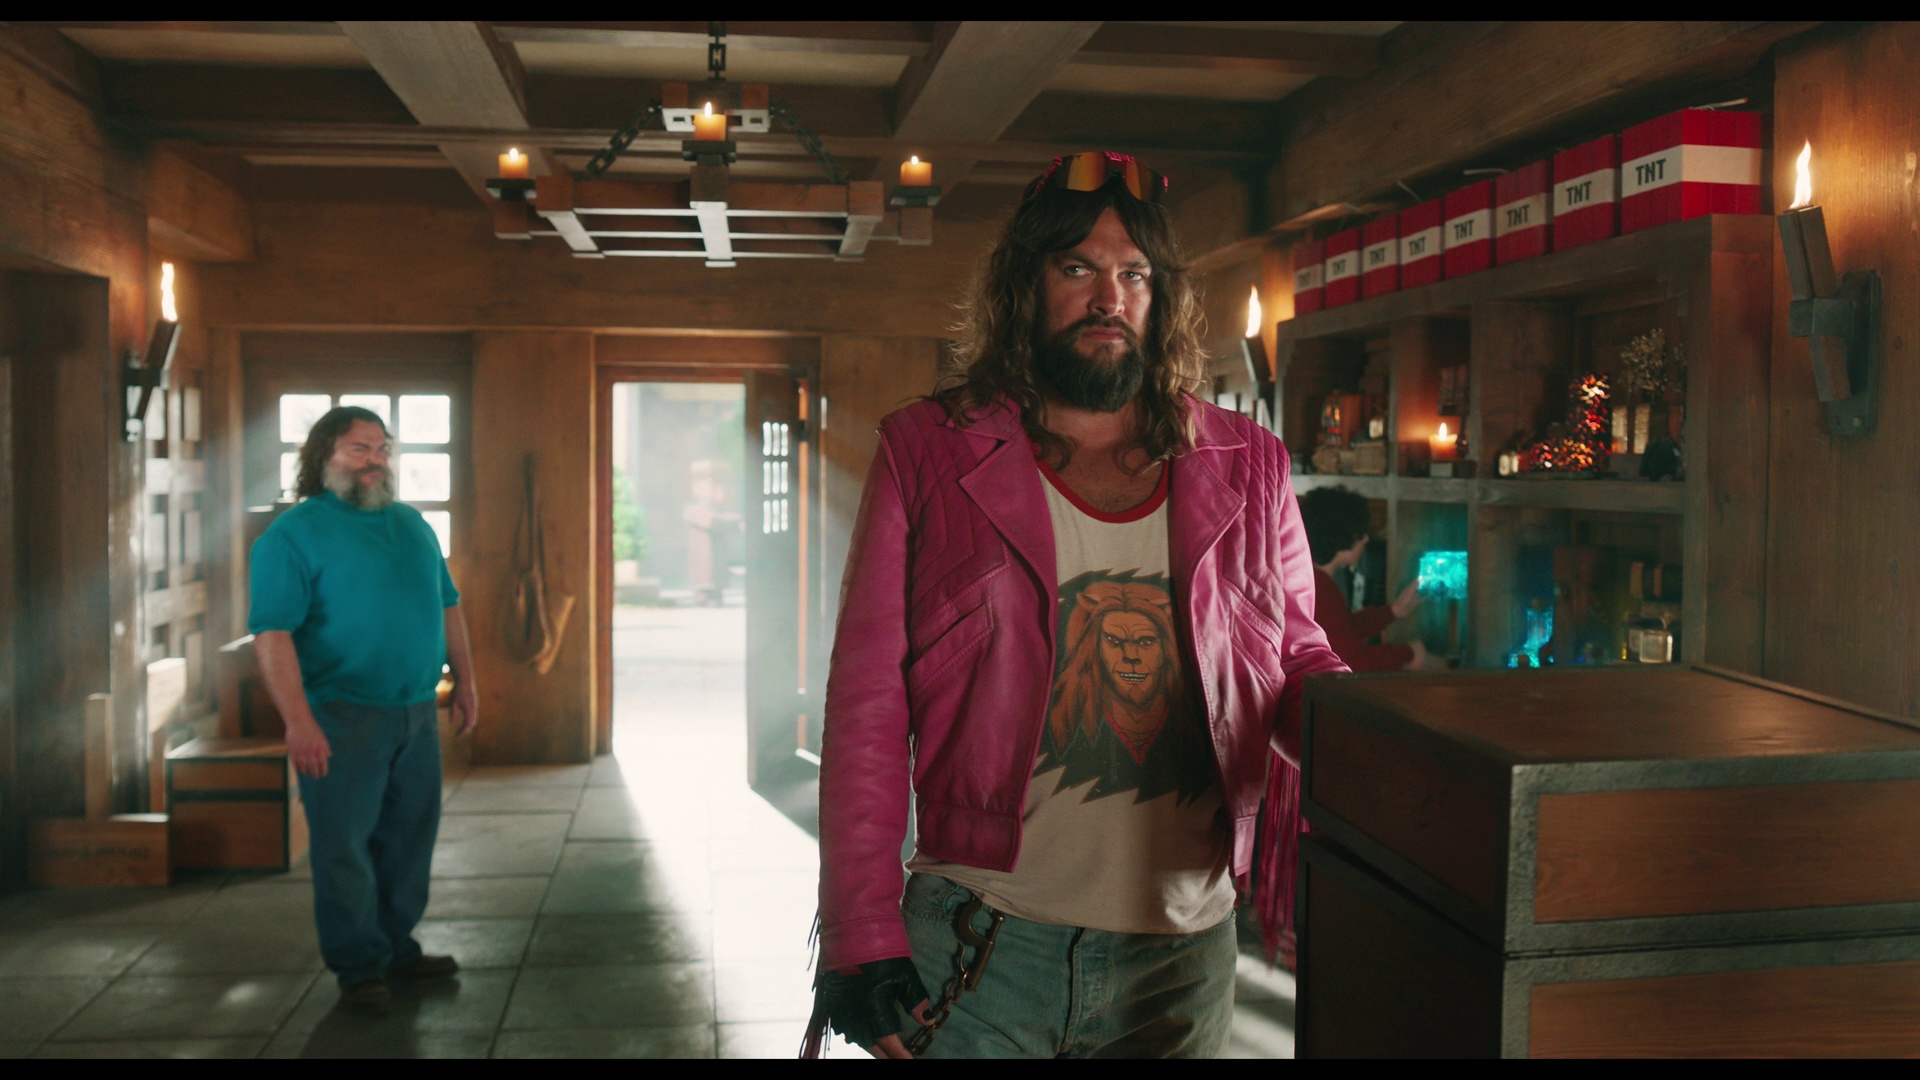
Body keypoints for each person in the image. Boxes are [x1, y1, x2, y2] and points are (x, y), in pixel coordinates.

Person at [805, 151, 1347, 1059]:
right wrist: (859, 934)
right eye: (1078, 268)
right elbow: (867, 703)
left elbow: (1296, 661)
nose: (1109, 298)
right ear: (1026, 286)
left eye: (1134, 274)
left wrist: (1379, 739)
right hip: (980, 940)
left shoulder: (1251, 463)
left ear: (1160, 297)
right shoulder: (927, 450)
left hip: (1181, 956)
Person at [248, 405, 479, 1015]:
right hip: (340, 715)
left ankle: (397, 947)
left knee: (408, 840)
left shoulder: (412, 525)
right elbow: (272, 635)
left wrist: (467, 681)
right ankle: (359, 967)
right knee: (344, 846)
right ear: (323, 457)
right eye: (358, 449)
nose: (374, 461)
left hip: (414, 711)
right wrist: (299, 721)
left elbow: (448, 606)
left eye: (382, 449)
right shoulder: (292, 536)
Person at [1296, 486, 1429, 673]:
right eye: (1360, 532)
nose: (1366, 539)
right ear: (1341, 535)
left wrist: (1395, 611)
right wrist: (1408, 652)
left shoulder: (1313, 580)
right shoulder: (1321, 589)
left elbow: (1343, 628)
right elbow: (1353, 661)